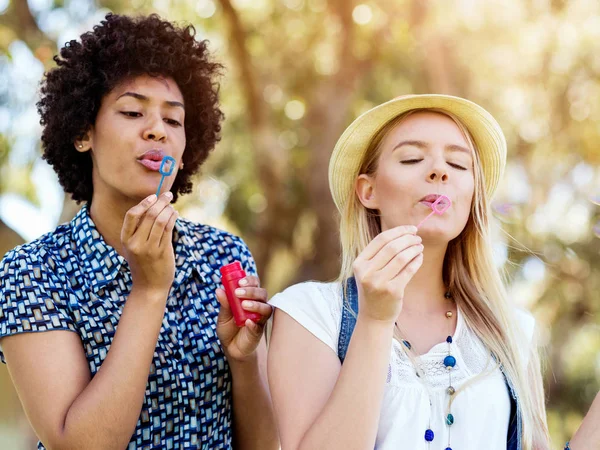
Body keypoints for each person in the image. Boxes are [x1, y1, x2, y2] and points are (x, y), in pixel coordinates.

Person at [0, 13, 278, 450]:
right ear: (82, 132)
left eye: (173, 121)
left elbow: (261, 446)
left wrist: (242, 360)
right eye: (132, 111)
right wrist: (149, 291)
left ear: (187, 150)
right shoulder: (31, 272)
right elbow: (80, 445)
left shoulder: (225, 254)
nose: (156, 130)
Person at [267, 95, 551, 449]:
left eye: (459, 165)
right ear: (368, 191)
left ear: (472, 195)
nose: (439, 171)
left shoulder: (512, 332)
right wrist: (374, 320)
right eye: (412, 158)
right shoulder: (309, 314)